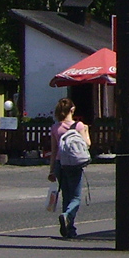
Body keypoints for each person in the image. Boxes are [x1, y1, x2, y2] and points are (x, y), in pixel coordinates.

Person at [48, 97, 91, 238]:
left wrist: (51, 170)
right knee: (76, 198)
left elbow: (54, 151)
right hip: (74, 164)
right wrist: (86, 130)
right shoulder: (79, 126)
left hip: (60, 164)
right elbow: (87, 144)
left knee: (66, 196)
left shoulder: (55, 128)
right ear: (72, 110)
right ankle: (67, 216)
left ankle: (69, 229)